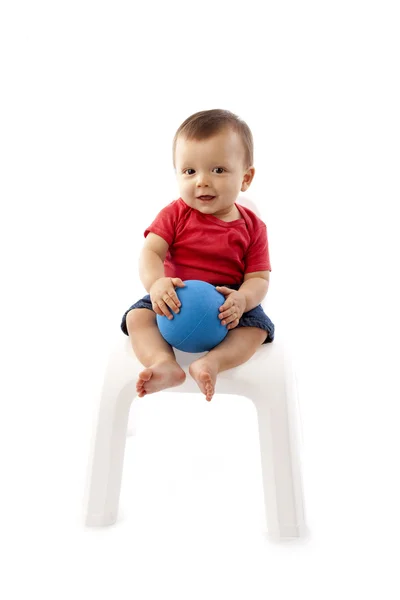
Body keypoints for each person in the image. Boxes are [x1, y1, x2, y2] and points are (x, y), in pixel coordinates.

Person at [120, 108, 275, 402]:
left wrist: (242, 300)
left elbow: (258, 279)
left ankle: (213, 362)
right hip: (173, 299)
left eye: (218, 170)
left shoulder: (253, 227)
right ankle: (163, 362)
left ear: (246, 177)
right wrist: (156, 284)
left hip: (227, 307)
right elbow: (151, 252)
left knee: (257, 330)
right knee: (137, 317)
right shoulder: (174, 214)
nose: (202, 181)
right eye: (190, 171)